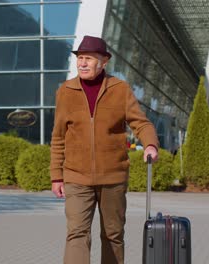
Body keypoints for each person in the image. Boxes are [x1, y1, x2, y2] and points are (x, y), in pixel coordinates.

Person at [50, 35, 159, 264]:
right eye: (80, 58)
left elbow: (141, 123)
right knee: (77, 234)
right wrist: (56, 176)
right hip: (76, 176)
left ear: (104, 61)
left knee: (113, 235)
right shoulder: (66, 91)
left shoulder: (120, 89)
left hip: (113, 177)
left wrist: (150, 144)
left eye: (88, 58)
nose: (82, 63)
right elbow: (58, 137)